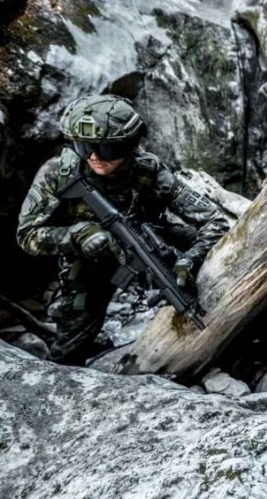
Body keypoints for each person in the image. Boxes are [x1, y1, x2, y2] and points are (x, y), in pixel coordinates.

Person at [17, 94, 230, 365]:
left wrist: (191, 259)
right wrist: (78, 235)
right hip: (89, 262)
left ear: (129, 145)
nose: (94, 157)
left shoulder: (149, 170)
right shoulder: (59, 173)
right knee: (71, 344)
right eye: (84, 147)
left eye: (106, 149)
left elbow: (215, 222)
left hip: (148, 240)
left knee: (210, 253)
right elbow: (27, 235)